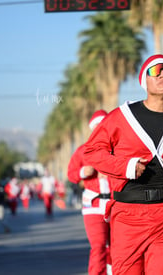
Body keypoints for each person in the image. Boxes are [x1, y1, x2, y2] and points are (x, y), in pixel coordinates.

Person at [83, 54, 163, 275]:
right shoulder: (120, 117)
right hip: (128, 213)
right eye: (156, 71)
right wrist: (126, 166)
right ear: (144, 79)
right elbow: (92, 152)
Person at [67, 109, 112, 275]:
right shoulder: (83, 151)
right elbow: (71, 175)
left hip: (115, 203)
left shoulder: (118, 148)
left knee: (117, 248)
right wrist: (82, 172)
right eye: (97, 126)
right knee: (98, 245)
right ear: (93, 128)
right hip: (93, 204)